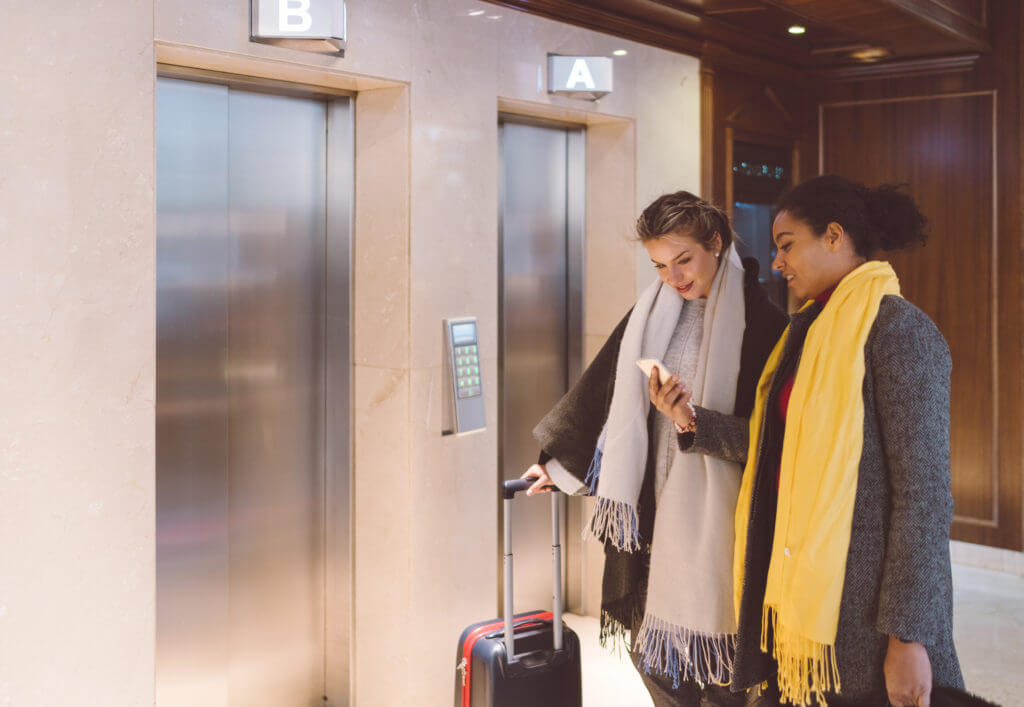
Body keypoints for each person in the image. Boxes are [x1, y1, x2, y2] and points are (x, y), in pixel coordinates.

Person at [681, 175, 964, 706]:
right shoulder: (807, 330)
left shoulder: (898, 331)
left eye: (787, 245)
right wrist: (692, 421)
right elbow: (780, 446)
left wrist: (908, 635)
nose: (779, 262)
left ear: (833, 235)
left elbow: (923, 496)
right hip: (799, 603)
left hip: (866, 617)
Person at [524, 191, 788, 706]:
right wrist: (559, 465)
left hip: (721, 535)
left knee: (721, 675)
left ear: (716, 242)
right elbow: (603, 394)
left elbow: (774, 443)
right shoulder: (649, 315)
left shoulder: (766, 326)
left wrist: (690, 419)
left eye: (684, 259)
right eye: (660, 265)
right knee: (651, 657)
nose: (674, 277)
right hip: (649, 519)